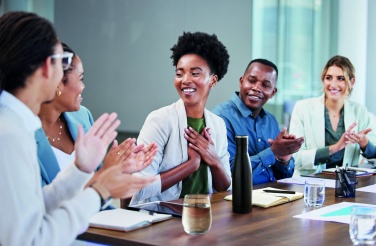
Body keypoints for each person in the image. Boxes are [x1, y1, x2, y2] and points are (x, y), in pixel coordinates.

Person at [0, 11, 155, 245]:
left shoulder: (15, 124)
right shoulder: (8, 135)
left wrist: (80, 169)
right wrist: (100, 191)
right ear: (46, 67)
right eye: (61, 62)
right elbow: (30, 240)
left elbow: (36, 206)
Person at [130, 32, 232, 205]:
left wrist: (214, 161)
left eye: (195, 73)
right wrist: (191, 165)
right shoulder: (159, 120)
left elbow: (224, 188)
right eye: (179, 73)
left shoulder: (218, 124)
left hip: (206, 216)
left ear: (213, 81)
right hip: (161, 218)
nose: (185, 80)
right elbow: (139, 187)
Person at [36, 42, 157, 187]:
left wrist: (118, 169)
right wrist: (107, 171)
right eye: (81, 78)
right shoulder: (24, 134)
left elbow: (96, 176)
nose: (83, 87)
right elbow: (46, 204)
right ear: (57, 83)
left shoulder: (82, 115)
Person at [212, 58, 304, 185]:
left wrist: (284, 158)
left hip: (272, 195)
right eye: (252, 81)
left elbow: (283, 176)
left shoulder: (270, 121)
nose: (256, 88)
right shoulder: (221, 118)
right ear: (241, 81)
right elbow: (227, 173)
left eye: (265, 85)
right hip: (237, 198)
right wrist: (273, 152)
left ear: (273, 92)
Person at [289, 55, 376, 176]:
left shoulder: (359, 111)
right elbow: (295, 158)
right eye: (328, 78)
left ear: (352, 81)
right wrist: (334, 148)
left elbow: (374, 156)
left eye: (340, 78)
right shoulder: (303, 108)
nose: (333, 84)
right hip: (310, 182)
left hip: (346, 185)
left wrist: (364, 143)